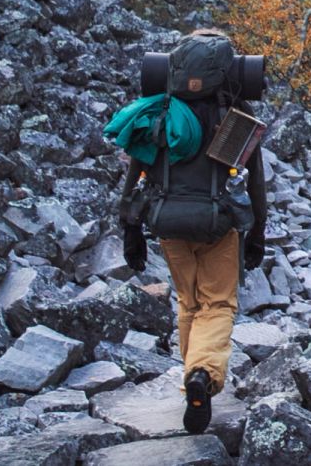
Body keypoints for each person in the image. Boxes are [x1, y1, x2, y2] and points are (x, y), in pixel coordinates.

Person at [117, 29, 267, 434]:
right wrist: (258, 236)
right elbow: (254, 185)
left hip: (168, 222)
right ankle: (201, 373)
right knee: (217, 304)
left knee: (188, 303)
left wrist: (129, 230)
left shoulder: (161, 114)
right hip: (218, 224)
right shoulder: (234, 120)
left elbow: (135, 175)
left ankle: (193, 378)